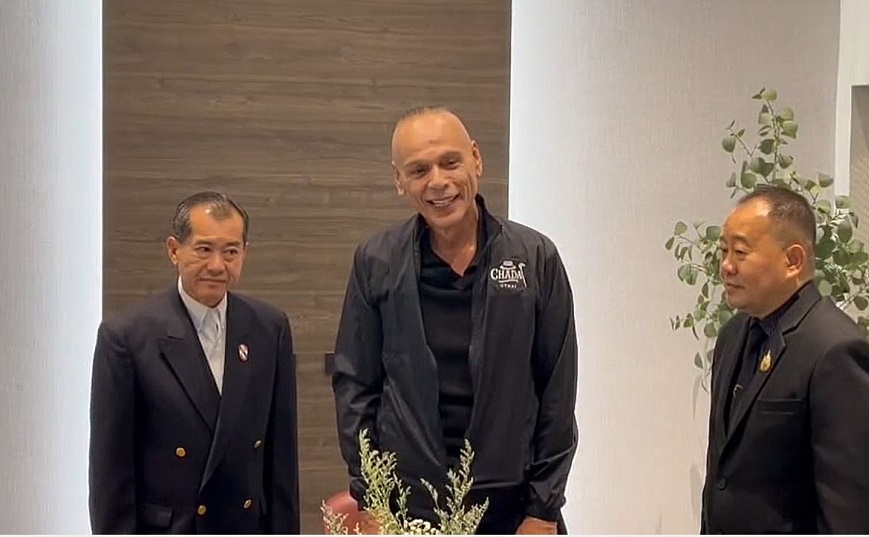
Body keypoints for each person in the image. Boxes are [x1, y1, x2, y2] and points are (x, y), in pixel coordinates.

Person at [331, 107, 578, 534]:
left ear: (476, 159)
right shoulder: (376, 262)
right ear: (398, 179)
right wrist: (371, 497)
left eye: (450, 162)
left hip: (513, 504)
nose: (438, 182)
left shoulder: (535, 258)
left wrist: (543, 508)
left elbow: (558, 391)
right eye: (419, 170)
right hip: (409, 503)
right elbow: (355, 386)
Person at [89, 191, 299, 534]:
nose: (217, 265)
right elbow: (110, 474)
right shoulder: (127, 337)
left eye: (230, 252)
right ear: (174, 250)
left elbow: (281, 463)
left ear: (245, 254)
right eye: (204, 249)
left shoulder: (269, 328)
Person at [702, 186, 869, 534]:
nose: (726, 266)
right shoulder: (734, 334)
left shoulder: (837, 351)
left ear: (793, 260)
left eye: (740, 252)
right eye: (723, 250)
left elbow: (849, 515)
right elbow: (722, 479)